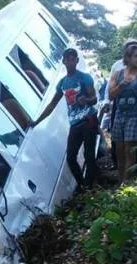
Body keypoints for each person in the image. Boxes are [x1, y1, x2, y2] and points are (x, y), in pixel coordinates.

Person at [32, 48, 98, 190]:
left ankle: (90, 187)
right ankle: (84, 185)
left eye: (73, 59)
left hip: (89, 119)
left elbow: (94, 99)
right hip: (74, 123)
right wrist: (36, 122)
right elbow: (52, 105)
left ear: (77, 61)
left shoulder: (85, 77)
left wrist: (85, 99)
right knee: (70, 157)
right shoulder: (62, 83)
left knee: (89, 154)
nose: (70, 62)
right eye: (67, 59)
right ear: (63, 61)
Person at [105, 39, 137, 169]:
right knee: (119, 148)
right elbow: (110, 91)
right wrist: (122, 84)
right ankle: (121, 181)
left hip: (134, 115)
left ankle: (128, 183)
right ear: (127, 55)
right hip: (119, 112)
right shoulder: (117, 68)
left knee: (129, 148)